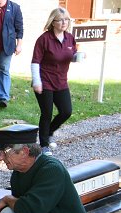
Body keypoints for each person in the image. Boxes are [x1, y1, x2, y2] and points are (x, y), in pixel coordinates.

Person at [31, 7, 80, 156]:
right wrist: (36, 81)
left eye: (66, 20)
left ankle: (49, 131)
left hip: (61, 81)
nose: (64, 23)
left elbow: (71, 54)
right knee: (47, 113)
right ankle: (44, 145)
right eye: (60, 20)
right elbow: (35, 61)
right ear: (53, 22)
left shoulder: (69, 37)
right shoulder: (44, 39)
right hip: (44, 81)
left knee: (66, 111)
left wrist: (78, 56)